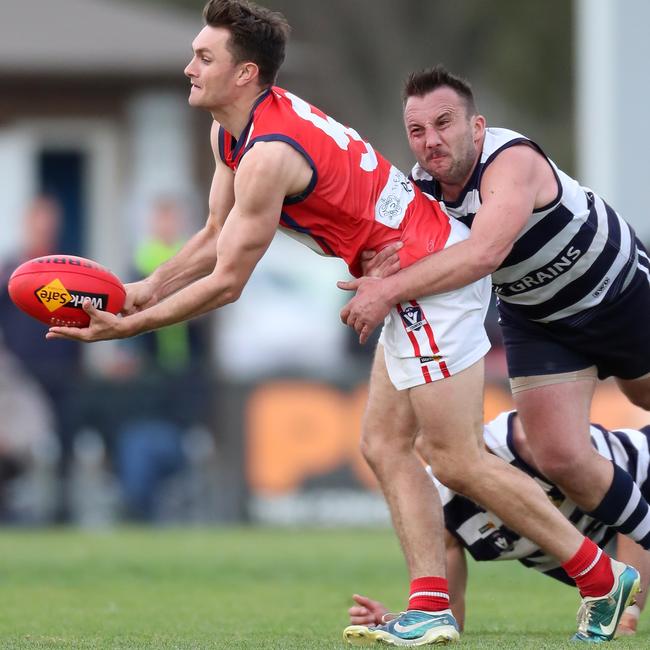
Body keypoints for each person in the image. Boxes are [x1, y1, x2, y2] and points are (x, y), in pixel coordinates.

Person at [46, 2, 639, 644]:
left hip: (430, 280)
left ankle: (601, 577)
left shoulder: (269, 154)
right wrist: (138, 292)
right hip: (404, 273)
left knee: (455, 457)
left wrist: (130, 328)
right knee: (384, 445)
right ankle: (433, 606)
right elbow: (216, 234)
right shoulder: (231, 133)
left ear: (246, 74)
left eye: (205, 58)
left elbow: (229, 281)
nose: (190, 67)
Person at [339, 66, 650, 553]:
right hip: (538, 321)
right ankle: (626, 561)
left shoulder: (511, 159)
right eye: (417, 131)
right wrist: (376, 272)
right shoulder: (419, 189)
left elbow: (485, 253)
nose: (430, 141)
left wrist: (388, 290)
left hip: (618, 295)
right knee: (560, 457)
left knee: (643, 397)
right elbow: (399, 255)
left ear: (476, 127)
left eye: (444, 124)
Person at [347, 411, 650, 639]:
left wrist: (627, 616)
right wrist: (398, 619)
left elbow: (636, 487)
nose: (431, 448)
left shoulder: (526, 441)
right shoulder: (438, 507)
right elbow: (449, 612)